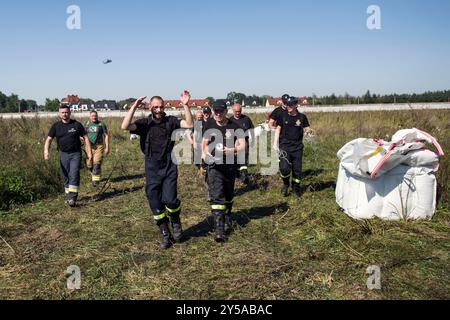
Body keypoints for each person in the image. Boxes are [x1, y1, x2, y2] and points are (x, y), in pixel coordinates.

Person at [121, 91, 194, 249]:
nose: (158, 110)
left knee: (170, 200)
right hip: (151, 167)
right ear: (150, 107)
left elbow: (189, 124)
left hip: (169, 164)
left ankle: (175, 221)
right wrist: (134, 106)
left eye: (161, 107)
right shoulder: (144, 124)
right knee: (154, 202)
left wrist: (186, 105)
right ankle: (165, 233)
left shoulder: (171, 121)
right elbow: (124, 126)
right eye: (155, 107)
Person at [202, 101, 246, 242]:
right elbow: (204, 144)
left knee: (228, 195)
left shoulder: (235, 126)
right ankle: (219, 231)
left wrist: (232, 150)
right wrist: (205, 155)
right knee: (217, 197)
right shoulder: (209, 125)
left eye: (221, 111)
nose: (218, 114)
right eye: (216, 111)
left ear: (226, 111)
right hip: (214, 167)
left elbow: (242, 145)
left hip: (230, 166)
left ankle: (228, 216)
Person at [44, 105, 92, 207]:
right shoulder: (56, 126)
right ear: (59, 113)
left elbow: (86, 138)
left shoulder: (77, 125)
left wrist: (89, 153)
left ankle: (72, 198)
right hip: (63, 154)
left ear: (70, 113)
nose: (64, 114)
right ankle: (69, 196)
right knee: (65, 175)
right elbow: (49, 139)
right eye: (62, 112)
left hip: (76, 153)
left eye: (66, 112)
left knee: (73, 173)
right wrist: (46, 151)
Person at [273, 95, 313, 197]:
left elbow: (307, 128)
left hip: (297, 148)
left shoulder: (302, 117)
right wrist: (275, 144)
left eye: (290, 105)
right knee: (284, 168)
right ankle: (286, 184)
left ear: (296, 105)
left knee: (297, 170)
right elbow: (277, 129)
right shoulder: (283, 116)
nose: (288, 107)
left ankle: (295, 188)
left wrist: (309, 131)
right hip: (285, 146)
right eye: (287, 104)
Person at [229, 103, 254, 184]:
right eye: (236, 111)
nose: (237, 113)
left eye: (239, 111)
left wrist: (251, 141)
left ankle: (244, 177)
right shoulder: (229, 121)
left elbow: (251, 131)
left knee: (243, 161)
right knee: (235, 163)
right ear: (233, 111)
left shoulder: (246, 119)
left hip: (245, 144)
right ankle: (238, 175)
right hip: (233, 146)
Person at [83, 110, 110, 187]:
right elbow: (80, 134)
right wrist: (82, 138)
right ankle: (94, 174)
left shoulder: (101, 124)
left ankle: (95, 182)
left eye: (95, 116)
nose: (94, 117)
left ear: (97, 116)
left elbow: (106, 136)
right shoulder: (85, 124)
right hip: (88, 147)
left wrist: (107, 147)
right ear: (90, 116)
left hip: (99, 146)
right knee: (89, 164)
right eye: (92, 116)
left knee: (97, 163)